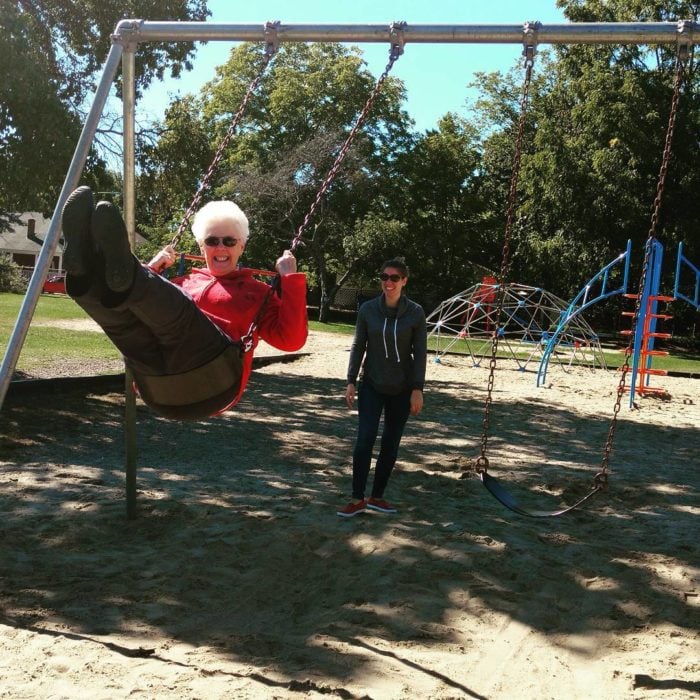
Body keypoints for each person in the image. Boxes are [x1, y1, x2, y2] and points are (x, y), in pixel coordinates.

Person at [61, 186, 307, 420]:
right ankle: (83, 275)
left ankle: (128, 271)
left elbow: (291, 340)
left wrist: (290, 280)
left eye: (229, 241)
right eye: (212, 241)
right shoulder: (183, 282)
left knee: (179, 316)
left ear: (241, 246)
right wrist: (152, 271)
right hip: (158, 389)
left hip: (214, 381)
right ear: (202, 246)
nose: (220, 247)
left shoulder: (258, 293)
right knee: (122, 324)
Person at [338, 257, 427, 517]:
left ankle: (377, 496)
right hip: (372, 384)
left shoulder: (415, 312)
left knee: (390, 443)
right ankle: (357, 498)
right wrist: (351, 380)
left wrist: (417, 388)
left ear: (404, 281)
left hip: (402, 387)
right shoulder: (368, 310)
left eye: (394, 278)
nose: (388, 282)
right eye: (384, 277)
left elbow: (420, 352)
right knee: (364, 440)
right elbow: (358, 345)